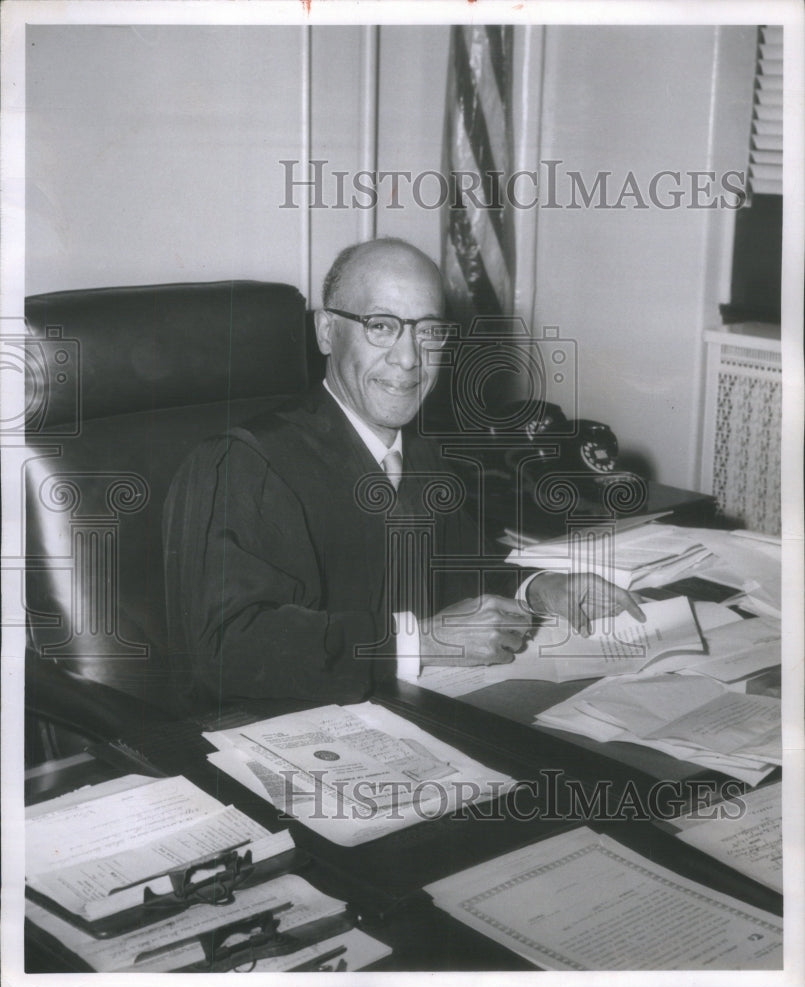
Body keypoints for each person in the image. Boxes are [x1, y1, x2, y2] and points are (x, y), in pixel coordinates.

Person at [163, 238, 643, 713]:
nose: (410, 358)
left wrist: (542, 588)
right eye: (381, 326)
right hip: (269, 738)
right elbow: (225, 651)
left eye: (429, 331)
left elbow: (460, 567)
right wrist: (420, 642)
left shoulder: (419, 454)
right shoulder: (244, 465)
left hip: (403, 713)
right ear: (327, 332)